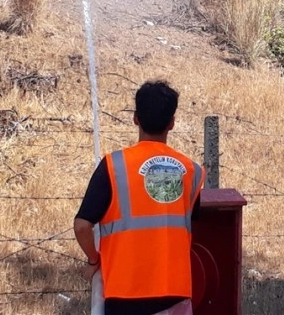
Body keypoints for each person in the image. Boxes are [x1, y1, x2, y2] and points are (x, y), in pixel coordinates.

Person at [74, 80, 205, 315]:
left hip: (124, 294)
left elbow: (82, 226)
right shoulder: (192, 171)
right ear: (172, 123)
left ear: (135, 118)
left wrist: (94, 260)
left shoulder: (114, 166)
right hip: (175, 293)